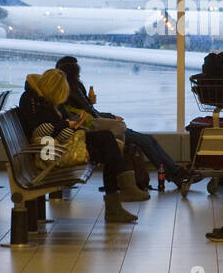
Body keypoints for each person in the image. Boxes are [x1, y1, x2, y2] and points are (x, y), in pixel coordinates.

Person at [18, 69, 148, 223]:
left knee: (108, 140)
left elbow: (56, 133)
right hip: (50, 152)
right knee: (109, 150)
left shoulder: (42, 99)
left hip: (59, 145)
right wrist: (67, 124)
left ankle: (121, 194)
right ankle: (119, 198)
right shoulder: (33, 102)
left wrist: (73, 126)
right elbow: (41, 132)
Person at [55, 55, 198, 189]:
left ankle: (175, 173)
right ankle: (175, 174)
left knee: (147, 139)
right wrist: (109, 117)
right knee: (146, 141)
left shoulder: (66, 91)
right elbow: (90, 115)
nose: (80, 77)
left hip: (98, 127)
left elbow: (88, 114)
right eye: (78, 74)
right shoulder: (73, 91)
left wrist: (108, 115)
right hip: (99, 130)